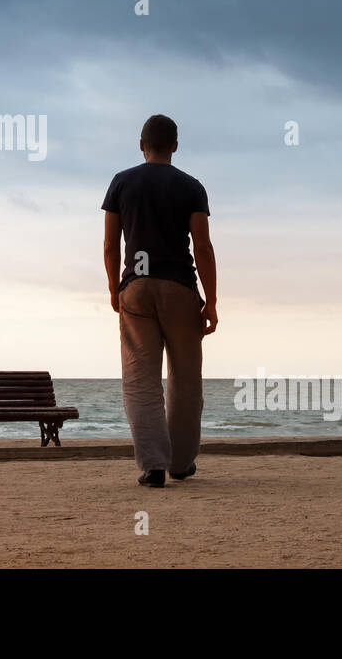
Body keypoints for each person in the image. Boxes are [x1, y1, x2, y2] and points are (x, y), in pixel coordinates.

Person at [101, 114, 217, 488]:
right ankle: (181, 464)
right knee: (185, 379)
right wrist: (211, 301)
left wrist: (113, 287)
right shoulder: (191, 187)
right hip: (180, 288)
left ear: (141, 144)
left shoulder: (122, 182)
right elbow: (202, 246)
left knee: (141, 379)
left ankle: (152, 467)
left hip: (136, 287)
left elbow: (109, 244)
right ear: (176, 146)